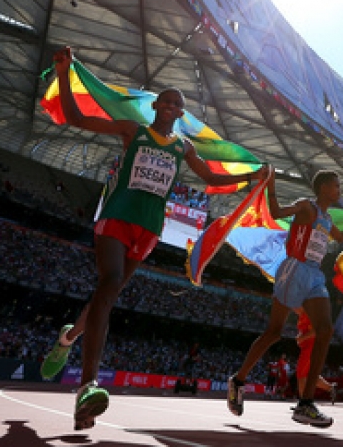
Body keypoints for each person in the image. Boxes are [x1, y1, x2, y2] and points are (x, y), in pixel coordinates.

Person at [38, 47, 268, 431]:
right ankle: (87, 386)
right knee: (109, 284)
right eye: (166, 101)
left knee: (107, 295)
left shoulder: (183, 147)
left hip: (148, 228)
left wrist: (250, 178)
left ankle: (69, 338)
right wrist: (64, 74)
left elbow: (210, 178)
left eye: (177, 104)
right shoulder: (135, 131)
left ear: (180, 113)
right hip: (117, 215)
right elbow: (77, 118)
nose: (171, 106)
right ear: (156, 106)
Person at [226, 168, 343, 428]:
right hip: (294, 270)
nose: (339, 190)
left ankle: (306, 403)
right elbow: (276, 212)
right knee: (274, 332)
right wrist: (271, 184)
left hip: (314, 275)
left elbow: (340, 237)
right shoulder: (306, 206)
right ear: (324, 187)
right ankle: (238, 380)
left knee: (326, 330)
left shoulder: (326, 218)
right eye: (336, 185)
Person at [293, 311, 337, 404]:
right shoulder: (302, 315)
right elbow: (306, 330)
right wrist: (300, 336)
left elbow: (318, 330)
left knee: (301, 375)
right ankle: (330, 387)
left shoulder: (311, 312)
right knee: (309, 375)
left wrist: (302, 338)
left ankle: (304, 403)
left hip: (311, 347)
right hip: (307, 347)